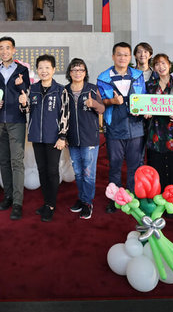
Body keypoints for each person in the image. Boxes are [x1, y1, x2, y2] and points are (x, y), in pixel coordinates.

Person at [97, 42, 146, 213]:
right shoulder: (103, 77)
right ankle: (115, 199)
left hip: (136, 127)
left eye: (126, 55)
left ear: (130, 57)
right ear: (113, 56)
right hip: (114, 126)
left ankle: (132, 197)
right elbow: (100, 100)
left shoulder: (139, 75)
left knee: (135, 165)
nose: (122, 58)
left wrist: (144, 110)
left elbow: (144, 98)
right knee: (115, 165)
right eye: (119, 54)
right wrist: (112, 101)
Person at [19, 55, 69, 222]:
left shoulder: (61, 90)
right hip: (36, 136)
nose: (44, 71)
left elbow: (65, 115)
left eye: (47, 67)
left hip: (54, 137)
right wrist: (24, 103)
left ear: (53, 70)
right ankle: (47, 202)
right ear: (37, 70)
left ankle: (51, 205)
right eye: (41, 68)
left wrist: (62, 136)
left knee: (52, 171)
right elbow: (25, 110)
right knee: (42, 170)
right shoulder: (32, 89)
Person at [0, 36, 30, 220]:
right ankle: (8, 197)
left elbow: (27, 92)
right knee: (4, 161)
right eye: (1, 48)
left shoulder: (22, 70)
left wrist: (23, 85)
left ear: (14, 50)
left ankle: (18, 203)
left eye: (8, 48)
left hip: (16, 121)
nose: (4, 51)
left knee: (17, 162)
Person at [145, 53, 173, 215]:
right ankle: (158, 204)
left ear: (169, 65)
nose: (160, 67)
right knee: (157, 170)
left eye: (163, 63)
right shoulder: (149, 85)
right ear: (154, 68)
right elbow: (143, 104)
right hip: (155, 132)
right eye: (156, 64)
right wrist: (145, 112)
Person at [63, 58, 104, 220]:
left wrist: (93, 103)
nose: (77, 73)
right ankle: (82, 198)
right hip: (72, 138)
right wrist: (63, 136)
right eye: (74, 70)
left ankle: (87, 202)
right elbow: (62, 116)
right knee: (78, 172)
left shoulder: (93, 89)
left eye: (81, 70)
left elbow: (102, 109)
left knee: (88, 173)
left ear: (85, 73)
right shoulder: (64, 90)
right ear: (69, 73)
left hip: (90, 139)